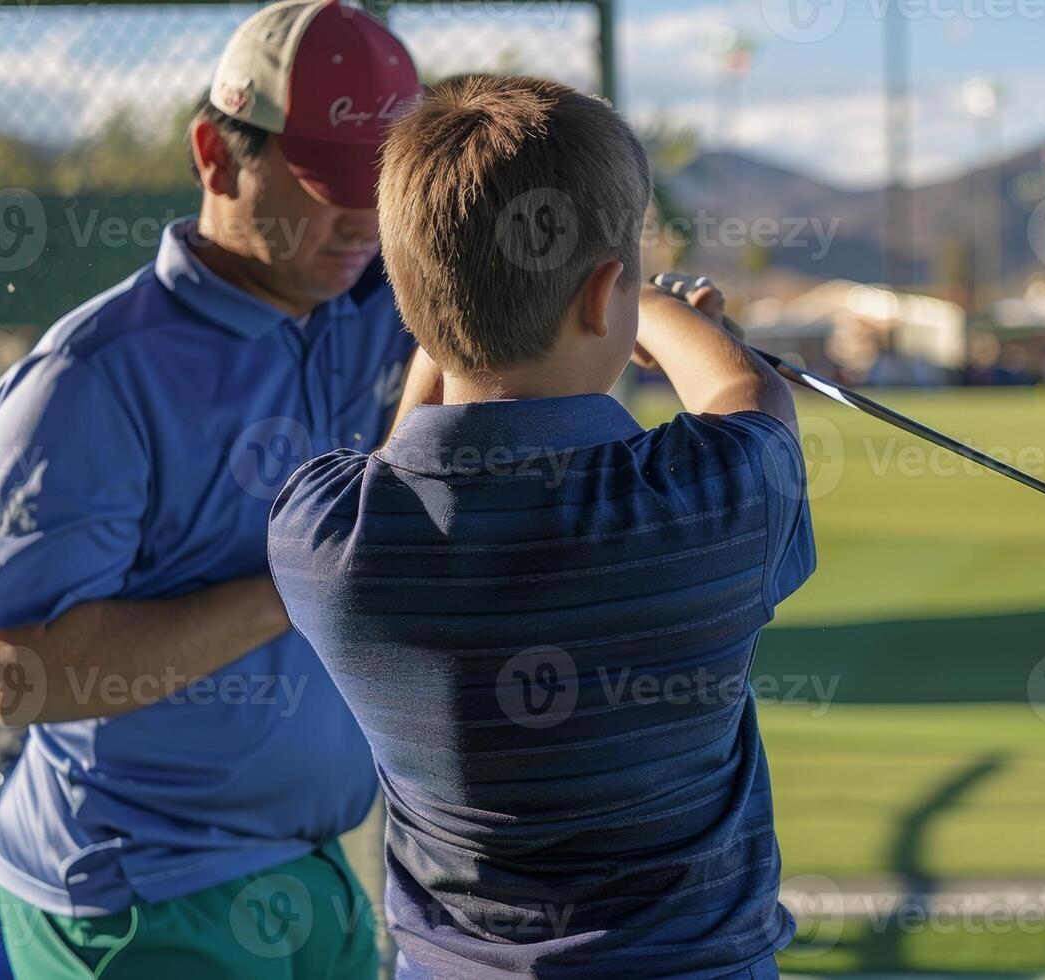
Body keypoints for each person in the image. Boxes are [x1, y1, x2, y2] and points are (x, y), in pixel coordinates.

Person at [267, 75, 817, 978]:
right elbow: (746, 395)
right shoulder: (713, 501)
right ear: (606, 294)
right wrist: (670, 318)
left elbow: (406, 444)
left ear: (411, 305)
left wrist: (479, 313)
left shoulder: (323, 536)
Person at [0, 1, 421, 974]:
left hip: (314, 871)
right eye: (328, 182)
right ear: (216, 155)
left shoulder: (369, 298)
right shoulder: (90, 376)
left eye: (385, 189)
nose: (364, 221)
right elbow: (16, 675)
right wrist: (304, 578)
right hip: (139, 901)